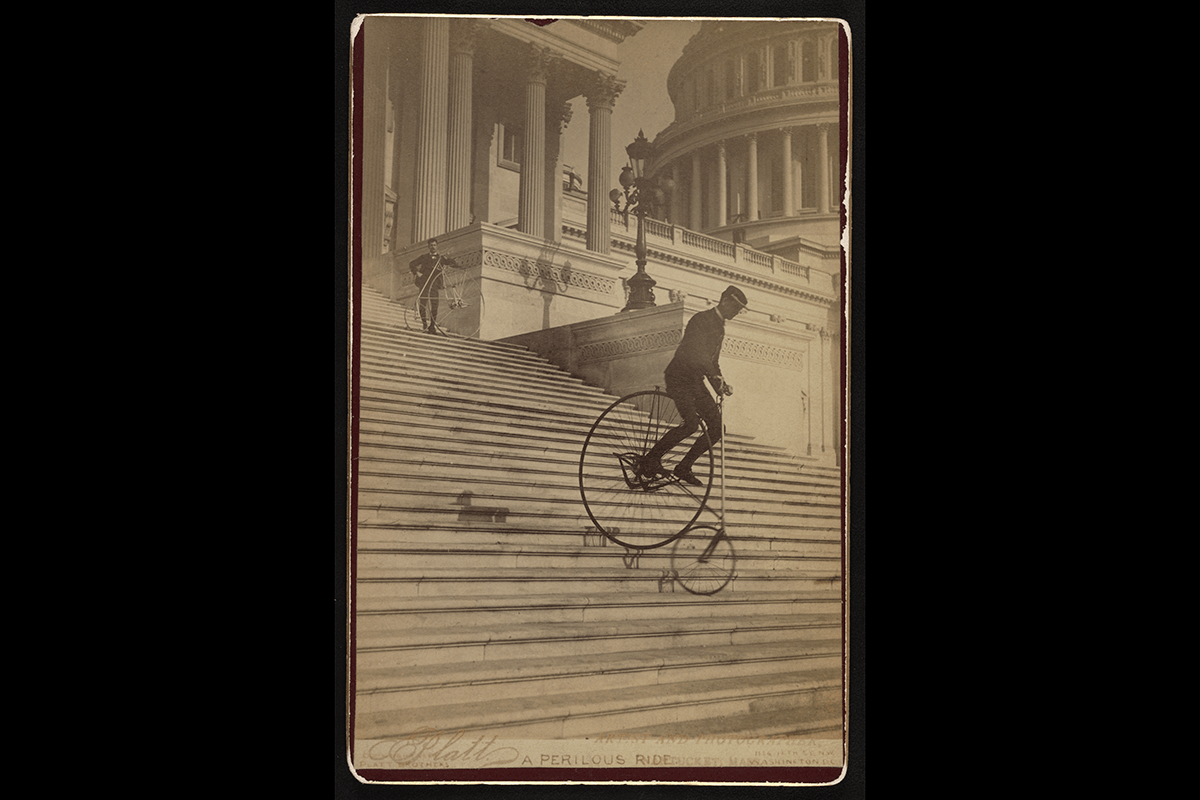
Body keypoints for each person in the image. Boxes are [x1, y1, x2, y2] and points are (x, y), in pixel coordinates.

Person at [639, 285, 749, 486]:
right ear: (725, 301)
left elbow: (712, 361)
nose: (736, 313)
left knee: (716, 428)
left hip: (695, 382)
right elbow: (696, 353)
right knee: (691, 424)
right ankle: (650, 459)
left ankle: (684, 467)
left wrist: (720, 385)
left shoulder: (720, 327)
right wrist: (714, 376)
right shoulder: (701, 320)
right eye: (735, 308)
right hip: (679, 378)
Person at [408, 238, 458, 334]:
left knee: (434, 305)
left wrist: (451, 258)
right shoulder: (424, 257)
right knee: (423, 304)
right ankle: (424, 324)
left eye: (434, 245)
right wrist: (417, 273)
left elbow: (451, 263)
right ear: (428, 247)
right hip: (425, 283)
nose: (433, 247)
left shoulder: (440, 258)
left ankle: (432, 326)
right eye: (431, 245)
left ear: (437, 246)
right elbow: (412, 264)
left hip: (434, 285)